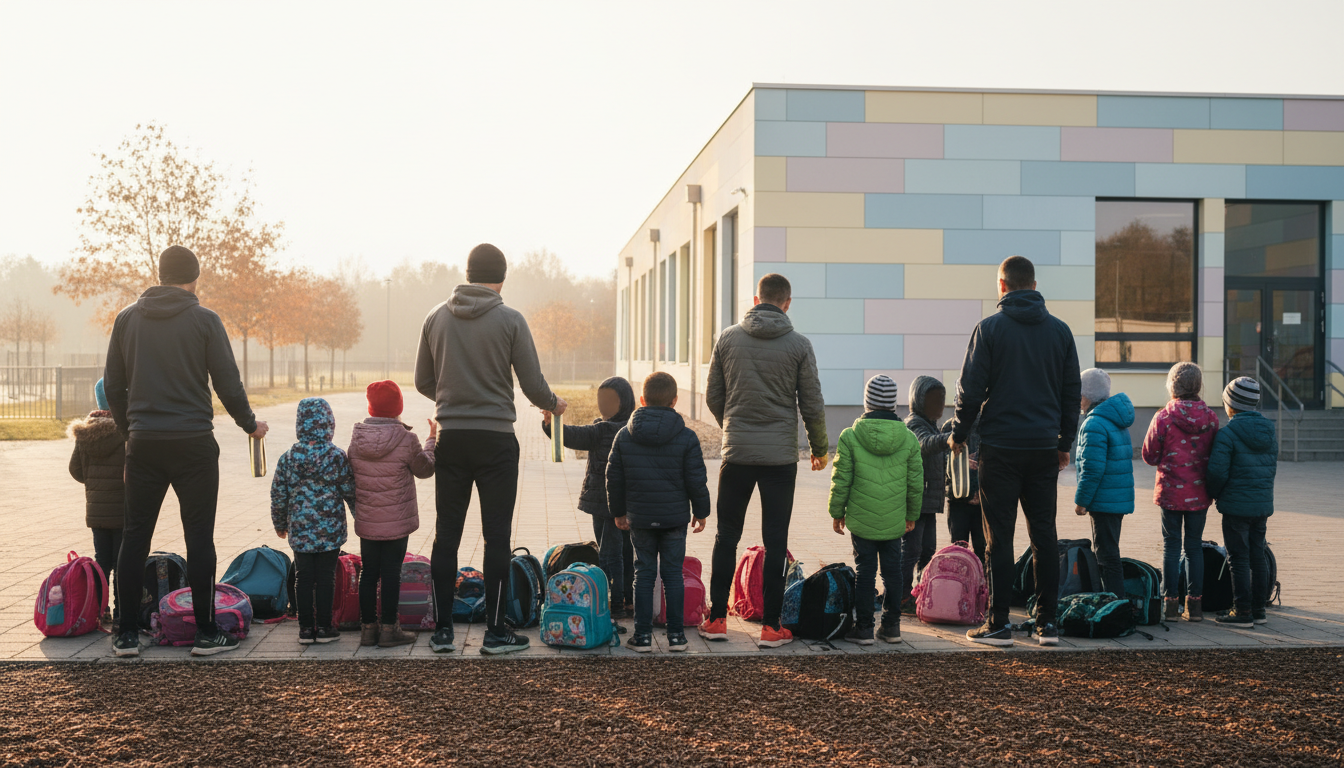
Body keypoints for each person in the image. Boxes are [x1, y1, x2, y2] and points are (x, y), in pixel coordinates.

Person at [104, 245, 268, 658]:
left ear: (159, 275)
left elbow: (112, 386)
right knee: (199, 538)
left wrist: (130, 433)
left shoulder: (126, 320)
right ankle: (206, 633)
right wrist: (250, 424)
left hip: (144, 444)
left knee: (134, 536)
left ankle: (125, 635)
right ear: (194, 277)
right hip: (194, 444)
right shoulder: (205, 320)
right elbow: (227, 383)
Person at [415, 243, 567, 656]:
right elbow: (532, 385)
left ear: (466, 274)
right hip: (497, 440)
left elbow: (422, 382)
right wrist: (554, 404)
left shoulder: (435, 317)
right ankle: (496, 633)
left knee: (446, 534)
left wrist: (452, 397)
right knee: (496, 536)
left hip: (452, 437)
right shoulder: (510, 319)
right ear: (501, 278)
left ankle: (444, 631)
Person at [948, 255, 1081, 648]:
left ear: (1002, 285)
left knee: (998, 537)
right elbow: (1071, 392)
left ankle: (1000, 624)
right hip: (1042, 448)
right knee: (1044, 535)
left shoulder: (988, 329)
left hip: (1001, 448)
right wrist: (1063, 444)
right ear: (1035, 286)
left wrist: (959, 433)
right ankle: (1048, 625)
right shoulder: (1061, 332)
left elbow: (970, 390)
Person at [699, 273, 828, 649]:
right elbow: (812, 403)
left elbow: (713, 395)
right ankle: (771, 628)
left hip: (736, 453)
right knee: (776, 540)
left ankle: (718, 619)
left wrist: (733, 426)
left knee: (726, 536)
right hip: (779, 459)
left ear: (757, 298)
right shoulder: (800, 345)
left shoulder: (728, 338)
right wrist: (819, 448)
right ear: (787, 303)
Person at [606, 372, 710, 653]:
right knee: (673, 575)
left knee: (644, 574)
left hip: (640, 518)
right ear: (675, 400)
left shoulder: (624, 435)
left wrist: (618, 512)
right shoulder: (687, 437)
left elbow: (613, 477)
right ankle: (676, 637)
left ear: (642, 399)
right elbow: (696, 479)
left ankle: (642, 637)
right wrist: (701, 511)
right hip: (675, 519)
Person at [828, 375, 922, 645]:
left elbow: (841, 479)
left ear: (867, 402)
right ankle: (891, 627)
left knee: (865, 572)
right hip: (894, 522)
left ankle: (865, 628)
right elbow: (915, 483)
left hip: (861, 519)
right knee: (893, 573)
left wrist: (837, 512)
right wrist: (911, 516)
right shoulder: (908, 439)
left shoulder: (850, 436)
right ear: (894, 405)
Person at [347, 380, 436, 648]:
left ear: (370, 407)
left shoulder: (357, 438)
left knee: (369, 573)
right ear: (398, 407)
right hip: (396, 521)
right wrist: (432, 439)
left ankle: (367, 630)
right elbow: (425, 469)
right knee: (391, 574)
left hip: (369, 520)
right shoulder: (407, 439)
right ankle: (389, 630)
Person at [543, 376, 636, 622]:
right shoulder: (633, 428)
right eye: (601, 400)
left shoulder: (603, 430)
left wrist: (552, 425)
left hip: (605, 506)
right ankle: (628, 599)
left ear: (623, 402)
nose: (603, 405)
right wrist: (551, 425)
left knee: (609, 555)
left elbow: (571, 436)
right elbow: (572, 436)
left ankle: (613, 604)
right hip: (630, 505)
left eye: (609, 401)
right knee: (626, 552)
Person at [271, 398, 356, 644]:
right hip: (330, 530)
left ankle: (306, 628)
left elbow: (279, 494)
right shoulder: (336, 456)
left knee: (303, 577)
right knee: (326, 577)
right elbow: (349, 490)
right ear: (329, 423)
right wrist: (359, 517)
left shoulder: (288, 458)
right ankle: (326, 627)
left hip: (300, 529)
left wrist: (280, 524)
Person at [1141, 362, 1219, 621]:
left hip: (1171, 494)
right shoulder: (1211, 418)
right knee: (1194, 547)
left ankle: (1170, 606)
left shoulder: (1163, 417)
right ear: (1198, 385)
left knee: (1171, 547)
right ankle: (1195, 607)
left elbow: (1149, 456)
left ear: (1172, 385)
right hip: (1199, 494)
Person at [1206, 377, 1277, 629]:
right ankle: (1259, 610)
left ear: (1230, 405)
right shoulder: (1270, 431)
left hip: (1236, 506)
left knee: (1238, 558)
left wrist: (1214, 493)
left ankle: (1242, 610)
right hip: (1261, 505)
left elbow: (1217, 472)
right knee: (1257, 555)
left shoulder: (1228, 434)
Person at [67, 378, 125, 630]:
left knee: (103, 559)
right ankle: (124, 609)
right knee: (124, 559)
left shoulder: (85, 432)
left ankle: (101, 611)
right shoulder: (126, 430)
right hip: (124, 509)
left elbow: (75, 470)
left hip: (96, 510)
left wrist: (93, 483)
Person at [1072, 368, 1135, 598]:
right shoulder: (1115, 419)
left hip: (1104, 499)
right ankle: (1113, 600)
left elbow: (1092, 468)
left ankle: (1114, 604)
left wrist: (1081, 500)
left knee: (1107, 555)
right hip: (1116, 497)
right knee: (1110, 551)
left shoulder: (1094, 423)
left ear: (1086, 395)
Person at [902, 375, 946, 613]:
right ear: (918, 400)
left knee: (928, 550)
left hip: (930, 501)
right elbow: (925, 444)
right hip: (916, 502)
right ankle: (901, 595)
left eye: (941, 400)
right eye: (933, 400)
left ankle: (920, 592)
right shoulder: (914, 425)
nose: (938, 405)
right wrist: (948, 440)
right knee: (910, 551)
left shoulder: (932, 425)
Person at [942, 413, 985, 564]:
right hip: (958, 500)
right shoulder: (950, 427)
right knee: (958, 551)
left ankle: (983, 586)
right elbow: (942, 463)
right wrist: (961, 463)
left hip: (983, 502)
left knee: (984, 551)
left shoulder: (989, 425)